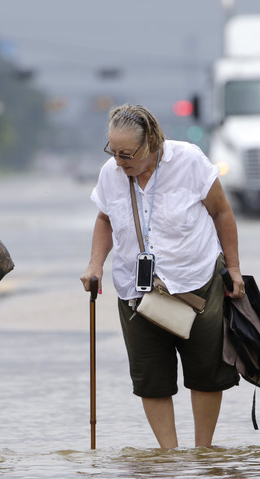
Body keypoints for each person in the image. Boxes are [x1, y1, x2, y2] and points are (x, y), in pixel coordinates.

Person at [80, 104, 245, 450]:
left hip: (197, 284)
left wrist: (233, 269)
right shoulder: (111, 173)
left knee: (206, 374)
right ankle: (168, 455)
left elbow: (221, 212)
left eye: (127, 153)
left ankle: (202, 451)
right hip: (137, 292)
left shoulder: (189, 161)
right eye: (113, 151)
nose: (119, 160)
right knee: (150, 379)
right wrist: (95, 265)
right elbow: (105, 219)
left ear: (151, 142)